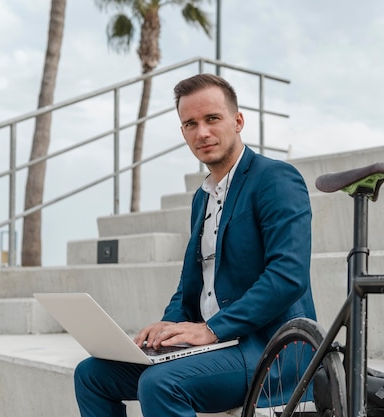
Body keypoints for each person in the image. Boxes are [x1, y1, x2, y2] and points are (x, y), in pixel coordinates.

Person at [73, 73, 316, 417]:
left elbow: (288, 276)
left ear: (238, 121)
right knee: (92, 374)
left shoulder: (275, 179)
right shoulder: (201, 198)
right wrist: (168, 329)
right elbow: (193, 283)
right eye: (190, 123)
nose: (202, 132)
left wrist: (211, 329)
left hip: (266, 348)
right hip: (213, 345)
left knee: (159, 382)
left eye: (212, 119)